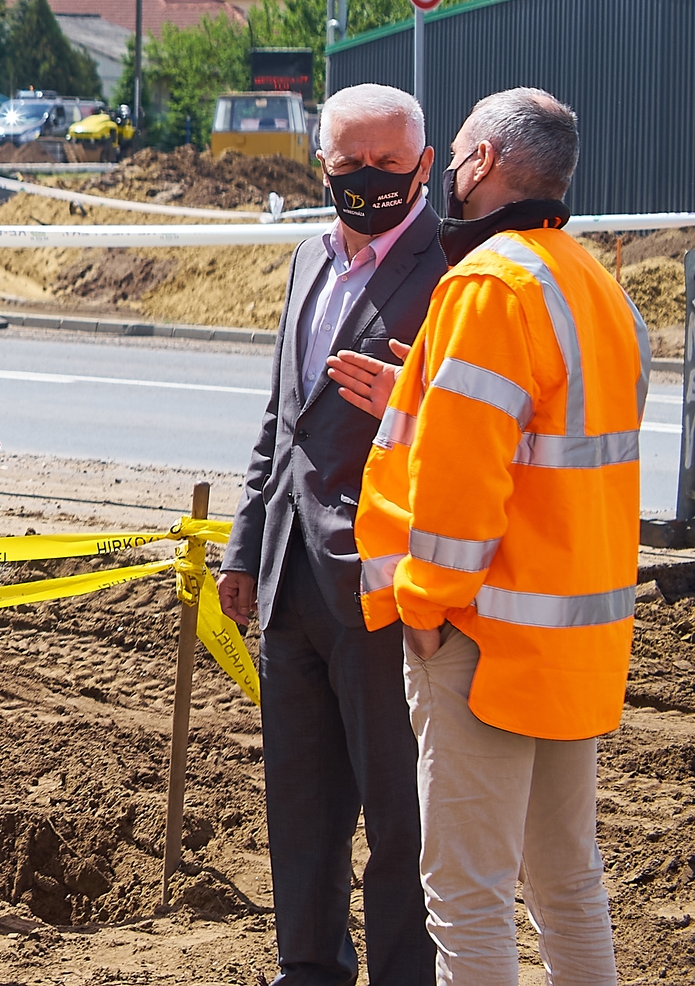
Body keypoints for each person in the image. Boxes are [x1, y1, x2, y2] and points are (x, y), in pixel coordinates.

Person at [341, 89, 647, 986]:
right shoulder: (594, 285)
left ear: (478, 163)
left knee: (467, 895)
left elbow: (461, 482)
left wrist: (426, 605)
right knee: (566, 881)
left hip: (483, 639)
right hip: (572, 641)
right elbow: (549, 444)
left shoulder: (487, 284)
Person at [215, 83, 446, 986]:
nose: (368, 180)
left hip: (387, 585)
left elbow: (483, 432)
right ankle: (308, 964)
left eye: (388, 164)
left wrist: (411, 408)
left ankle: (399, 973)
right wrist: (244, 544)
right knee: (301, 802)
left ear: (424, 165)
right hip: (287, 580)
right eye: (349, 164)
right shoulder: (310, 257)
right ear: (322, 165)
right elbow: (282, 415)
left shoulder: (452, 271)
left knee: (398, 812)